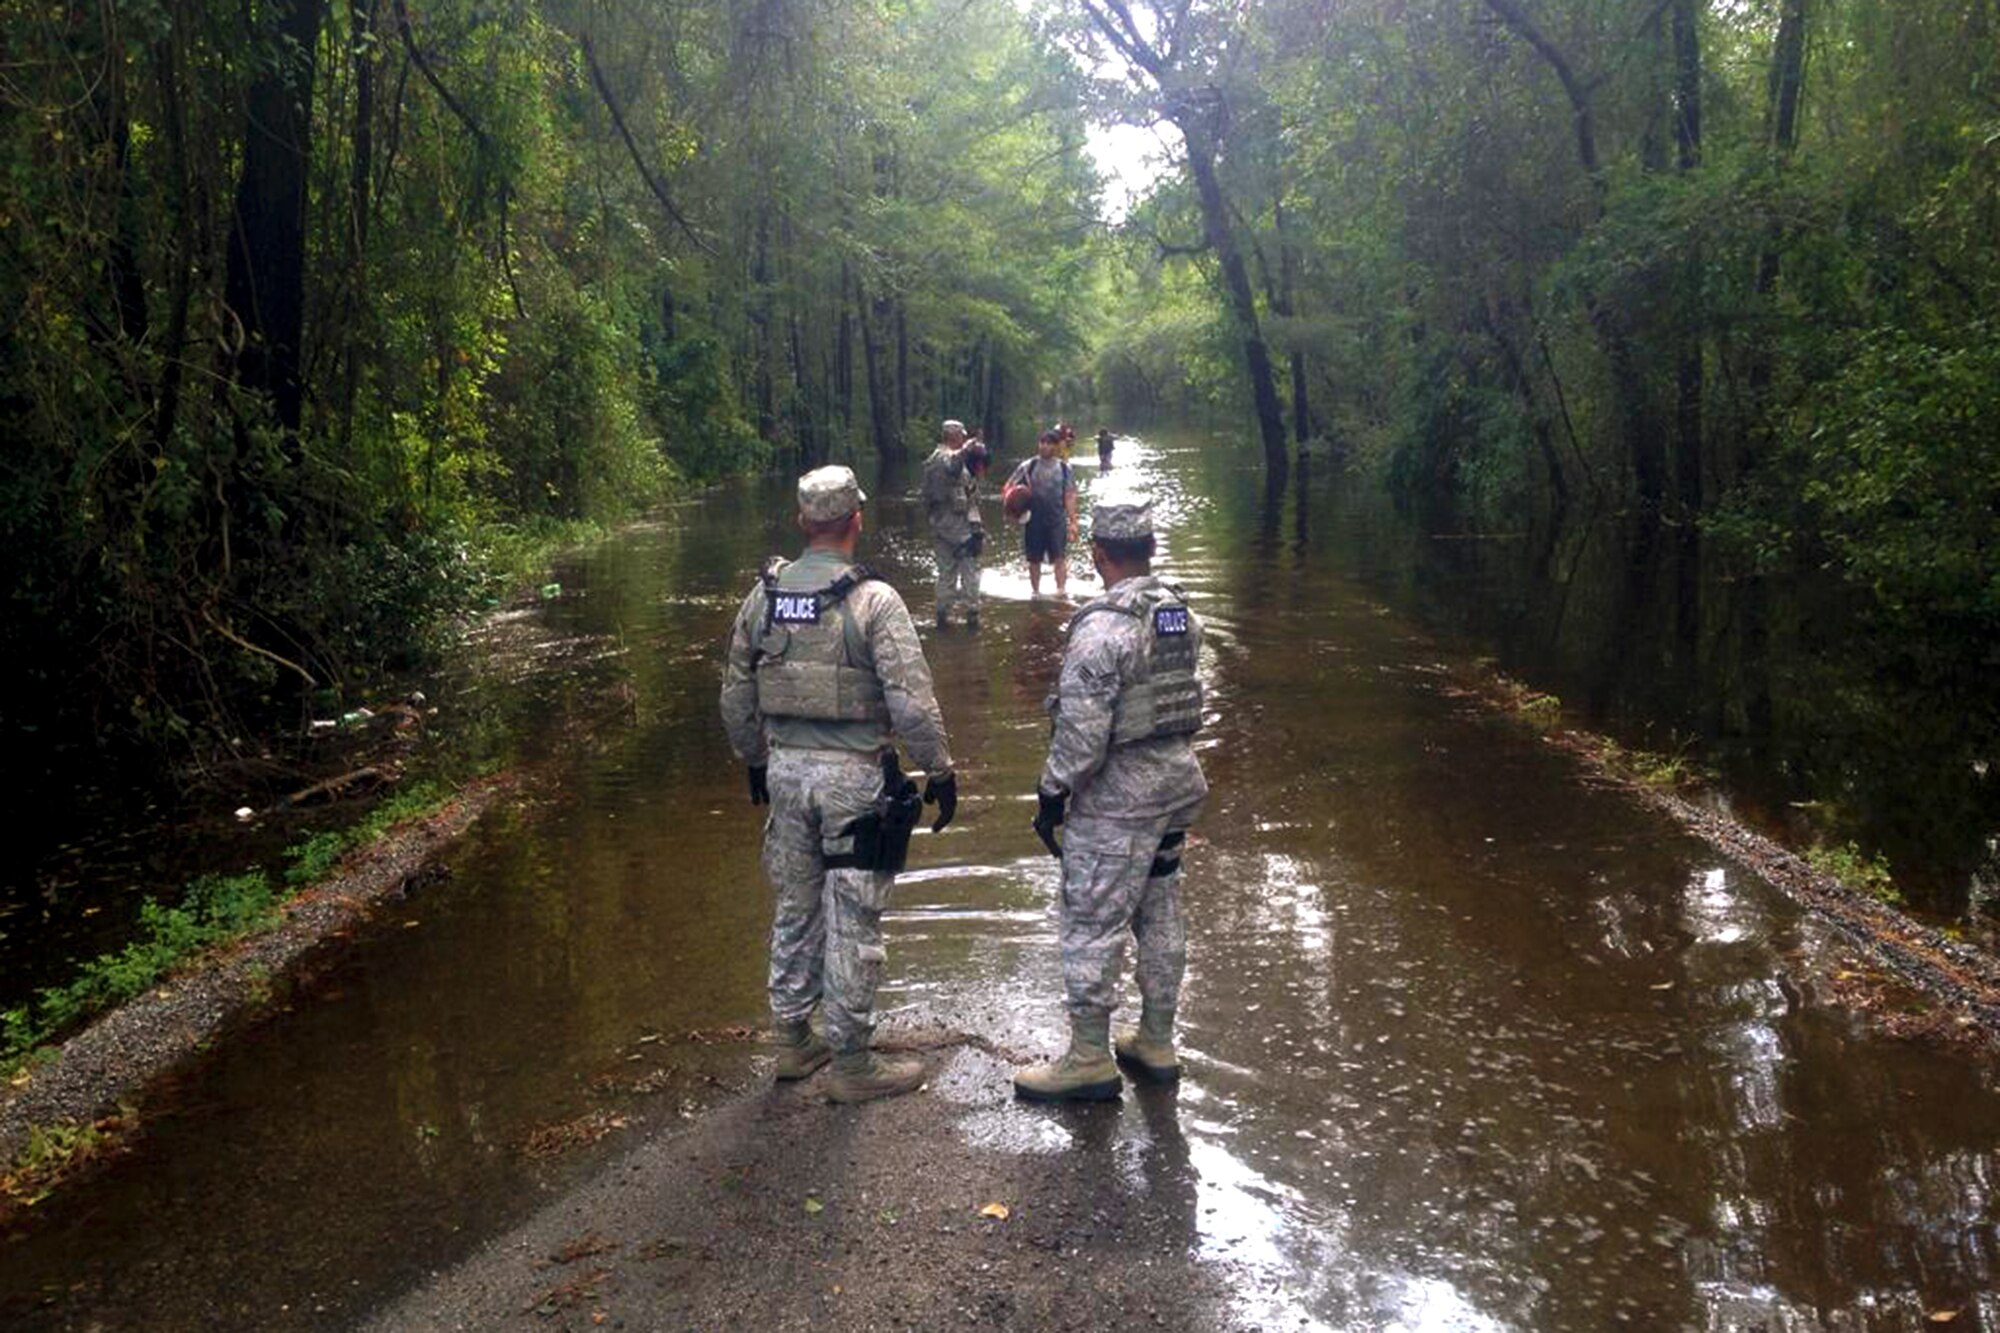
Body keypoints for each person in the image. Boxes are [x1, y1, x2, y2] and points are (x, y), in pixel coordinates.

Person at [719, 465, 959, 1105]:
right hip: (853, 782)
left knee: (796, 906)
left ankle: (794, 1042)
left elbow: (736, 692)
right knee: (852, 917)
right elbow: (910, 702)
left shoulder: (762, 597)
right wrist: (939, 769)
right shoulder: (874, 601)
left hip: (786, 773)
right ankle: (852, 1063)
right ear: (857, 519)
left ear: (803, 522)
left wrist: (752, 759)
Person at [1015, 490, 1208, 1102]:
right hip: (1175, 788)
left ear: (1098, 554)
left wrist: (1051, 794)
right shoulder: (1181, 616)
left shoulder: (1103, 629)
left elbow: (1083, 736)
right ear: (1149, 549)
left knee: (1092, 919)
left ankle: (1090, 1058)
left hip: (1118, 800)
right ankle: (1155, 1039)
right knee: (1160, 909)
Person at [921, 419, 987, 628]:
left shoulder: (930, 460)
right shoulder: (947, 458)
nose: (964, 440)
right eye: (962, 437)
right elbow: (952, 466)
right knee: (970, 570)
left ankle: (941, 618)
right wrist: (967, 449)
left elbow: (926, 497)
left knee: (945, 574)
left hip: (939, 525)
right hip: (961, 528)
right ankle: (972, 616)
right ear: (955, 437)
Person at [1005, 430, 1079, 597]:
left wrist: (1073, 521)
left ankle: (1060, 592)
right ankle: (1035, 592)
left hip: (1057, 520)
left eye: (1048, 443)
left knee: (1059, 557)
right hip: (1033, 520)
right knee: (1034, 559)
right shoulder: (1027, 466)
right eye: (1042, 442)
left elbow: (1069, 495)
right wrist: (1013, 510)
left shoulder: (1064, 468)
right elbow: (1008, 488)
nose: (1044, 446)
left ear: (1056, 446)